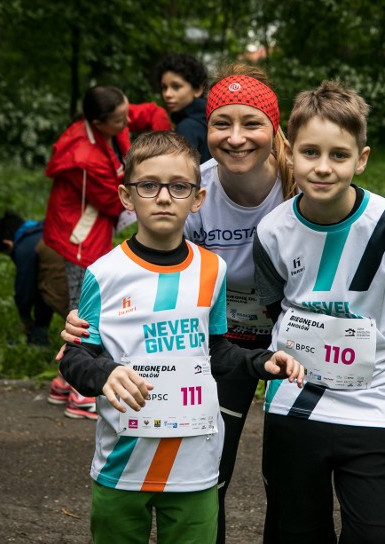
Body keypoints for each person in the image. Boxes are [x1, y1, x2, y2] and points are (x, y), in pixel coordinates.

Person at [60, 66, 385, 542]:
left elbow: (355, 265)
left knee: (304, 497)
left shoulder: (307, 178)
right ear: (206, 130)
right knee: (211, 480)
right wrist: (90, 326)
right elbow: (150, 271)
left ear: (276, 134)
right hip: (219, 342)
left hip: (285, 347)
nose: (235, 138)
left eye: (250, 123)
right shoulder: (191, 187)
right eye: (220, 123)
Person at [58, 130, 304, 544]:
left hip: (195, 466)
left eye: (179, 187)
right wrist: (104, 374)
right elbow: (74, 357)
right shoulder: (103, 273)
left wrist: (261, 362)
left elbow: (217, 351)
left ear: (198, 198)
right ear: (125, 196)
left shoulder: (212, 271)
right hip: (123, 465)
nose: (164, 197)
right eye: (148, 186)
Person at [254, 80, 385, 543]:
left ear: (361, 158)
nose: (323, 168)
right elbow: (272, 310)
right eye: (310, 153)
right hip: (294, 407)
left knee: (373, 535)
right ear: (289, 153)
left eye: (339, 155)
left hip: (372, 407)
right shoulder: (271, 230)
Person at [43, 85, 171, 419]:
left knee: (80, 305)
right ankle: (78, 391)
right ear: (100, 123)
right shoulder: (83, 158)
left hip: (89, 230)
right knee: (82, 313)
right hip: (80, 236)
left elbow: (150, 113)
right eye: (120, 119)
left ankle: (61, 383)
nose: (128, 120)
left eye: (127, 112)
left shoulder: (111, 121)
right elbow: (114, 202)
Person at [0, 211, 68, 345]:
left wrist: (25, 318)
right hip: (93, 281)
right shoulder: (44, 230)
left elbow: (24, 292)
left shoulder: (25, 248)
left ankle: (38, 339)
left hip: (74, 300)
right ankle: (39, 336)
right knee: (42, 282)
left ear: (8, 243)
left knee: (41, 286)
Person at [156, 53, 211, 162]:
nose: (167, 94)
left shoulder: (187, 126)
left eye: (176, 87)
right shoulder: (210, 117)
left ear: (198, 90)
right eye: (164, 87)